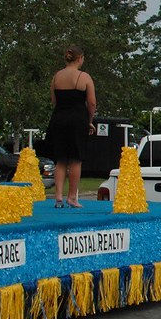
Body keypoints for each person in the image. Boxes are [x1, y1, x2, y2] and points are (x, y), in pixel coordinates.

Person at [44, 46, 96, 207]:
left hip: (59, 118)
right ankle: (72, 197)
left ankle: (58, 196)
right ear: (80, 58)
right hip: (77, 119)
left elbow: (53, 100)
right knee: (75, 160)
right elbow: (92, 102)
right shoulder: (84, 76)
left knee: (60, 160)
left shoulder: (56, 76)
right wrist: (89, 120)